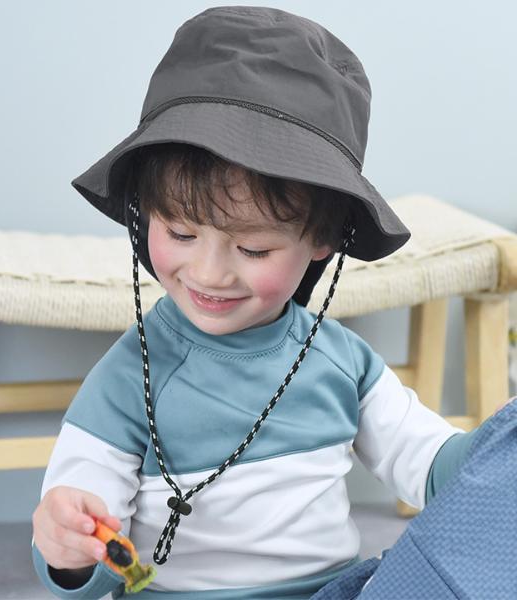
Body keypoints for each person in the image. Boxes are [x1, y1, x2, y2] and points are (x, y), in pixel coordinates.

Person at [32, 7, 514, 599]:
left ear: (323, 240)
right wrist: (69, 545)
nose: (209, 272)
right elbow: (88, 541)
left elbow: (434, 467)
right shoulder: (129, 377)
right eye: (180, 233)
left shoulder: (341, 362)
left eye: (254, 249)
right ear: (142, 214)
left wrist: (497, 450)